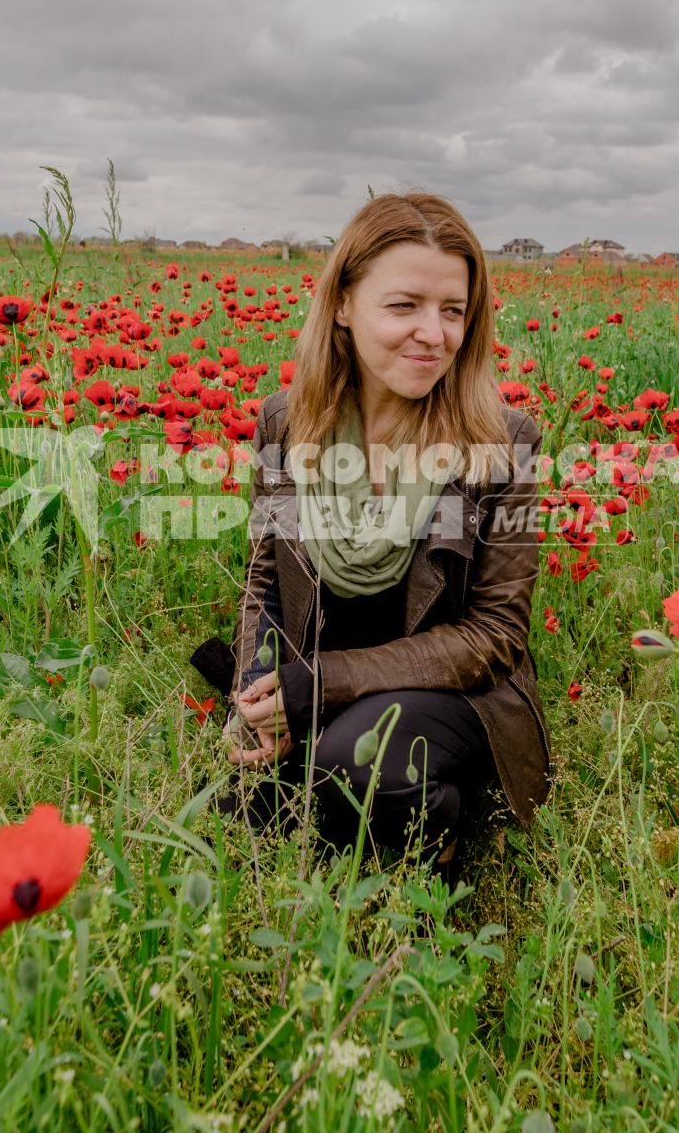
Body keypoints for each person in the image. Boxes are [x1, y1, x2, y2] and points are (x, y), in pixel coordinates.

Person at [211, 191, 552, 885]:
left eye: (453, 311)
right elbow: (266, 581)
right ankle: (329, 771)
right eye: (405, 306)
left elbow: (493, 635)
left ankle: (438, 858)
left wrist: (319, 685)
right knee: (248, 813)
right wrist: (256, 689)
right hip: (319, 673)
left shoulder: (502, 445)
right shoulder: (287, 424)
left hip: (454, 689)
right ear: (343, 303)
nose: (435, 333)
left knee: (353, 764)